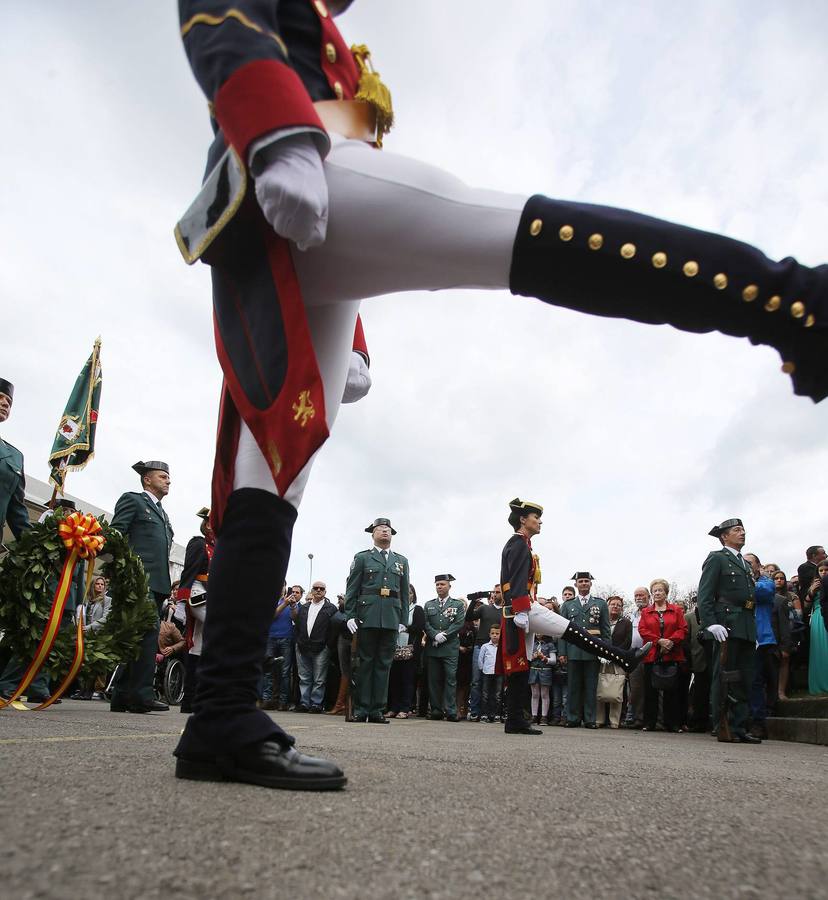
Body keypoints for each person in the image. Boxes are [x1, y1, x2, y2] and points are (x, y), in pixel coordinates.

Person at [173, 1, 824, 788]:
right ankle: (790, 303)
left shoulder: (329, 29)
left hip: (306, 192)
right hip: (293, 155)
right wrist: (277, 138)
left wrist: (350, 336)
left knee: (272, 476)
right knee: (524, 235)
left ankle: (221, 714)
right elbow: (221, 17)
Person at [497, 499, 649, 735]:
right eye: (535, 517)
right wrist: (520, 610)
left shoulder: (523, 544)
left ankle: (515, 719)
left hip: (523, 608)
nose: (539, 521)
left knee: (521, 665)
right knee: (574, 632)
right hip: (523, 609)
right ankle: (624, 658)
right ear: (522, 519)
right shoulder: (518, 543)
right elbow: (514, 579)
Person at [109, 461, 174, 714]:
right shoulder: (134, 500)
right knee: (147, 635)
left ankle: (123, 694)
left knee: (139, 637)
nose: (168, 481)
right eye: (163, 476)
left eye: (169, 477)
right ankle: (141, 694)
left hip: (157, 583)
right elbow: (117, 533)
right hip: (138, 578)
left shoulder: (163, 514)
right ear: (147, 480)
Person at [697, 518, 767, 744]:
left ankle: (739, 725)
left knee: (746, 677)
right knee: (724, 676)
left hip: (746, 624)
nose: (743, 533)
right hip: (726, 623)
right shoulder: (717, 558)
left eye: (744, 530)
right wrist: (710, 623)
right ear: (724, 536)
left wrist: (753, 630)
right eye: (737, 530)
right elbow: (705, 595)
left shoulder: (746, 565)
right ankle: (721, 724)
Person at [344, 517, 410, 724]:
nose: (385, 531)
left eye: (388, 529)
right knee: (365, 663)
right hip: (367, 615)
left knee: (384, 664)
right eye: (380, 528)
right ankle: (362, 709)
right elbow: (352, 588)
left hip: (391, 615)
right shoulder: (362, 558)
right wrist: (350, 615)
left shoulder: (401, 561)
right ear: (372, 534)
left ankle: (377, 710)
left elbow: (404, 593)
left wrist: (403, 618)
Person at [744, 553, 790, 738]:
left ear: (758, 566)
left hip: (761, 639)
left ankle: (757, 722)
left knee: (756, 681)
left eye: (749, 563)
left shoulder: (766, 583)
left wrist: (751, 580)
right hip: (741, 636)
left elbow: (761, 592)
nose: (745, 566)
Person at [559, 572, 610, 728]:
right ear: (576, 585)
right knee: (573, 686)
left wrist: (605, 651)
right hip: (573, 649)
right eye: (580, 581)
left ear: (590, 584)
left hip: (592, 650)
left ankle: (590, 719)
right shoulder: (567, 605)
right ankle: (572, 718)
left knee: (590, 686)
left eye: (586, 581)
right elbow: (561, 630)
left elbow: (605, 629)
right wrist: (562, 652)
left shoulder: (600, 604)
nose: (583, 584)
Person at [638, 579, 688, 732]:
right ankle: (649, 723)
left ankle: (672, 723)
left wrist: (670, 642)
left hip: (672, 654)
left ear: (666, 593)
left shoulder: (676, 610)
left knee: (672, 690)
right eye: (655, 591)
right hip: (652, 654)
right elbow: (643, 630)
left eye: (660, 590)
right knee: (650, 690)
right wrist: (659, 641)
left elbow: (682, 629)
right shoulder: (646, 612)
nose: (657, 593)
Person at [177, 507, 214, 714]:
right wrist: (182, 602)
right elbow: (188, 572)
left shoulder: (220, 547)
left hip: (212, 594)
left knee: (197, 647)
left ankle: (190, 700)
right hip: (197, 591)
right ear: (208, 524)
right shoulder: (198, 543)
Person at [423, 575, 466, 722]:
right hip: (433, 647)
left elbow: (459, 623)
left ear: (449, 586)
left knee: (450, 679)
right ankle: (436, 709)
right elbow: (426, 623)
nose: (439, 587)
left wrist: (444, 635)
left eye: (442, 584)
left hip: (450, 648)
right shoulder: (429, 605)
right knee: (433, 679)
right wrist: (435, 635)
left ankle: (451, 710)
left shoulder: (458, 605)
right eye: (437, 585)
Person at [293, 580, 337, 712]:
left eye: (321, 589)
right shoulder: (304, 607)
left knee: (319, 679)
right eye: (316, 588)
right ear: (311, 591)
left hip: (321, 648)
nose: (318, 590)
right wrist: (298, 642)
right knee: (304, 677)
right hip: (303, 646)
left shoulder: (331, 608)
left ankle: (316, 704)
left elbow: (333, 629)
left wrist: (328, 645)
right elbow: (297, 625)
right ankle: (304, 703)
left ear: (325, 592)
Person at [465, 586, 504, 721]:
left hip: (499, 649)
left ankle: (494, 713)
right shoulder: (484, 608)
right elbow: (469, 617)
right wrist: (473, 601)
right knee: (476, 681)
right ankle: (475, 711)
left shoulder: (507, 611)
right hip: (481, 646)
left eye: (498, 592)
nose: (495, 594)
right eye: (494, 592)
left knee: (496, 685)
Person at [387, 584, 425, 718]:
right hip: (394, 649)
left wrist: (406, 628)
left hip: (409, 650)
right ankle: (393, 707)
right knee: (394, 679)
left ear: (413, 595)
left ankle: (405, 707)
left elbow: (420, 627)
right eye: (405, 593)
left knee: (407, 680)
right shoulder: (396, 608)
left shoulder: (417, 609)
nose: (408, 595)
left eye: (410, 593)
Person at [0, 378, 29, 541]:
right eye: (0, 397)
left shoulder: (15, 456)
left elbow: (17, 512)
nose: (5, 403)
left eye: (8, 401)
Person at [598, 596, 631, 729]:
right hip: (601, 659)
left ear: (622, 608)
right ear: (607, 606)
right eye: (612, 604)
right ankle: (599, 719)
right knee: (600, 687)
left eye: (618, 605)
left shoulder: (626, 623)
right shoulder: (600, 621)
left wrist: (614, 655)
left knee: (616, 689)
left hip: (618, 659)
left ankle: (614, 721)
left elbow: (627, 642)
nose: (615, 606)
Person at [773, 569, 802, 701]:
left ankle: (781, 691)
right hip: (773, 631)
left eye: (782, 578)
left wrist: (783, 612)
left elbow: (799, 614)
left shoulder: (791, 596)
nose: (779, 580)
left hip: (788, 630)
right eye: (776, 578)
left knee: (785, 660)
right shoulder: (766, 596)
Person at [807, 560, 828, 695]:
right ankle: (821, 683)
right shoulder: (813, 585)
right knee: (820, 649)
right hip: (818, 618)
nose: (824, 572)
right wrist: (811, 591)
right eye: (821, 570)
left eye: (826, 570)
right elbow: (806, 605)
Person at [478, 625, 502, 723]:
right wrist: (482, 668)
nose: (495, 636)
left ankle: (497, 714)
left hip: (499, 672)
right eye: (492, 633)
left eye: (497, 633)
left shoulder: (502, 647)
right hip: (487, 672)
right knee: (485, 694)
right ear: (489, 635)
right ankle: (484, 714)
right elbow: (480, 658)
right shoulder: (485, 646)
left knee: (498, 694)